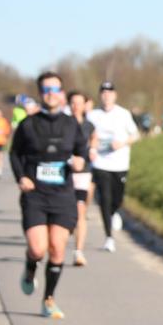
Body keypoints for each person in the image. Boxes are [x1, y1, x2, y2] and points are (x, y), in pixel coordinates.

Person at [9, 72, 87, 319]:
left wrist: (78, 162)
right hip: (36, 195)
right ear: (41, 93)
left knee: (57, 248)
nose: (51, 93)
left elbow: (81, 153)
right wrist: (21, 177)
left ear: (61, 93)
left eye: (55, 89)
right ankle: (30, 267)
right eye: (46, 89)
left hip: (63, 195)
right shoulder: (28, 124)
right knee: (38, 247)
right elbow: (14, 154)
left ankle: (49, 299)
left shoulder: (71, 124)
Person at [86, 81, 139, 252]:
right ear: (100, 95)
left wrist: (122, 143)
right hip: (101, 163)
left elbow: (135, 135)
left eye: (109, 92)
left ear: (115, 95)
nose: (106, 95)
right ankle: (109, 237)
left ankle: (114, 211)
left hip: (120, 163)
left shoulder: (123, 114)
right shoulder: (92, 116)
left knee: (118, 198)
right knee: (105, 199)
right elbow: (85, 137)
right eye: (103, 92)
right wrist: (91, 149)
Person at [68, 90, 98, 266]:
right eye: (72, 102)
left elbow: (94, 137)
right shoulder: (62, 123)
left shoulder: (88, 125)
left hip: (83, 172)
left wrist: (93, 149)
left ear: (85, 104)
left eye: (79, 102)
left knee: (80, 210)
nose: (76, 106)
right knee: (67, 211)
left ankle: (78, 252)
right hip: (64, 173)